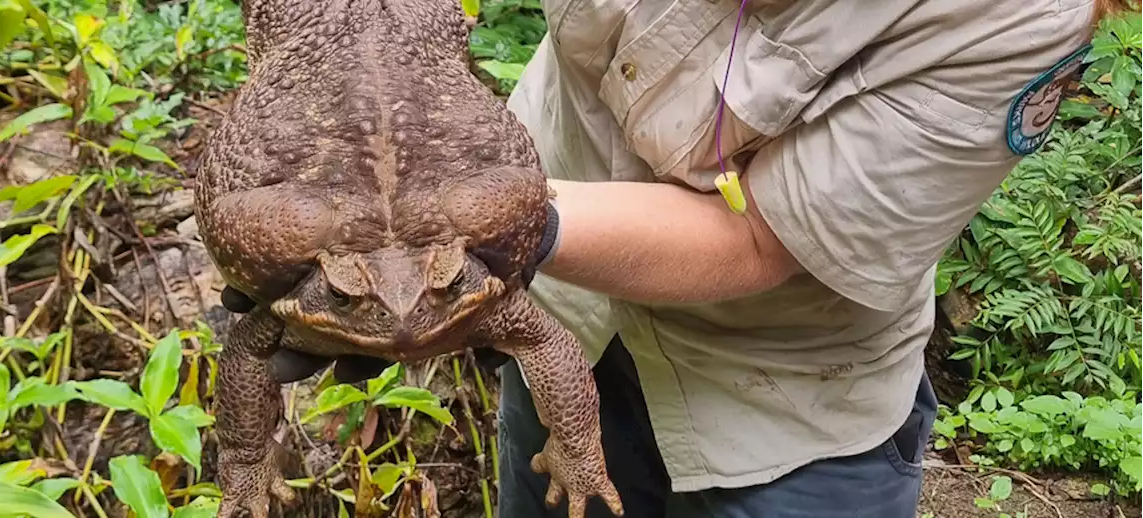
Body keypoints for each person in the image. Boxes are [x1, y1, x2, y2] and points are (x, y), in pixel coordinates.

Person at [217, 0, 1122, 516]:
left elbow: (762, 240)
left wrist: (479, 244)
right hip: (555, 303)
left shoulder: (1011, 17)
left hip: (776, 406)